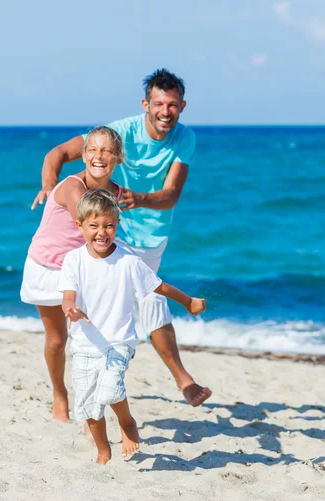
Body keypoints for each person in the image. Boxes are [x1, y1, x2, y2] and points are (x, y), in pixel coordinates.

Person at [31, 68, 212, 408]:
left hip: (153, 235)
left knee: (147, 300)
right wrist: (48, 185)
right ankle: (181, 380)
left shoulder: (185, 139)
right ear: (146, 103)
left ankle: (145, 383)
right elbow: (56, 154)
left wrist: (138, 198)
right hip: (113, 233)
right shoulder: (118, 133)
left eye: (172, 105)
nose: (165, 112)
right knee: (144, 300)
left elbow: (171, 195)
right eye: (159, 103)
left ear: (182, 107)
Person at [60, 189, 206, 464]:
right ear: (80, 226)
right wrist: (71, 308)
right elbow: (68, 296)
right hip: (83, 343)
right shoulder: (74, 260)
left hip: (119, 341)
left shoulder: (129, 262)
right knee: (89, 406)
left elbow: (159, 286)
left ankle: (127, 423)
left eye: (109, 226)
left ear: (117, 225)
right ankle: (103, 448)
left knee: (111, 391)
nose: (101, 233)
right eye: (94, 226)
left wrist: (188, 302)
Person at [21, 126, 124, 422]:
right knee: (56, 341)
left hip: (80, 271)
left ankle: (90, 408)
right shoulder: (72, 187)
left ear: (118, 157)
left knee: (90, 342)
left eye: (106, 151)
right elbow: (92, 225)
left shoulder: (116, 193)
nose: (99, 156)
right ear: (82, 155)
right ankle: (59, 393)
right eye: (92, 150)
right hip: (47, 267)